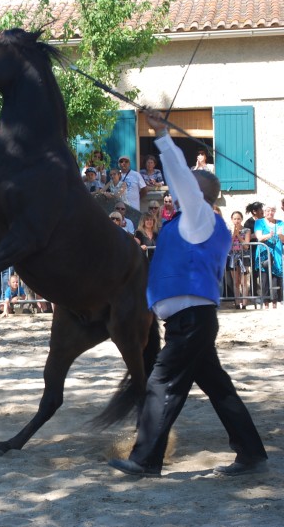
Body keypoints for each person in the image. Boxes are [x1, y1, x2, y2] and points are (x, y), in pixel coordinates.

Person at [109, 109, 267, 478]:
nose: (173, 187)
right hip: (190, 321)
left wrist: (163, 137)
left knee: (161, 383)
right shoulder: (191, 222)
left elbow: (181, 178)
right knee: (218, 387)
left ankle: (146, 459)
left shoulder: (200, 217)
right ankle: (251, 452)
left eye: (185, 186)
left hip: (191, 320)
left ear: (197, 193)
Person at [254, 204, 284, 309]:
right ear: (264, 212)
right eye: (267, 210)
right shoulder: (259, 222)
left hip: (277, 252)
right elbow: (259, 237)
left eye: (272, 210)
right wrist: (269, 235)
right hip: (263, 252)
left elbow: (283, 240)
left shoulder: (280, 223)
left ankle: (275, 301)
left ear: (274, 212)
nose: (269, 213)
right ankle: (266, 302)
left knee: (276, 276)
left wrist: (280, 235)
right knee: (264, 277)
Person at [227, 211, 251, 310]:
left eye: (238, 218)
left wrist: (238, 236)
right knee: (235, 281)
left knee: (244, 281)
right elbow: (228, 246)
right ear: (232, 220)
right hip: (233, 257)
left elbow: (246, 246)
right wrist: (234, 234)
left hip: (243, 257)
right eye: (235, 219)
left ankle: (244, 303)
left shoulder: (247, 230)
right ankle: (237, 303)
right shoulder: (228, 231)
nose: (237, 221)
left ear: (241, 219)